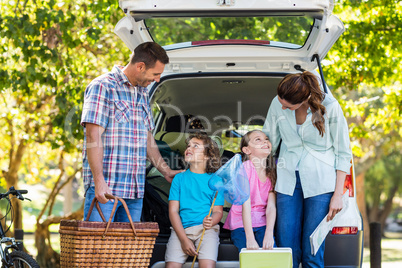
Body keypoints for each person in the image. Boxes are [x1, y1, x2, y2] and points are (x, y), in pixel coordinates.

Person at [81, 42, 181, 222]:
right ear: (140, 66)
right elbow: (92, 137)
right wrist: (99, 181)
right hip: (107, 190)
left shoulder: (142, 92)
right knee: (98, 249)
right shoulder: (103, 87)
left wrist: (165, 170)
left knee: (128, 250)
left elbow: (147, 138)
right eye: (156, 74)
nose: (157, 79)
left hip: (134, 192)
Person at [262, 71, 352, 268]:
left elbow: (344, 154)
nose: (282, 106)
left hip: (322, 184)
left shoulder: (331, 107)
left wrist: (338, 194)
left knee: (312, 250)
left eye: (288, 105)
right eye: (281, 102)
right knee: (287, 249)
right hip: (287, 181)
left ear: (304, 98)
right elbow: (268, 142)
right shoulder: (278, 103)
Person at [165, 132, 224, 268]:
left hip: (206, 230)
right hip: (180, 230)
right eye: (188, 146)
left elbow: (218, 211)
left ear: (207, 155)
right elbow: (173, 211)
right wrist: (184, 239)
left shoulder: (216, 181)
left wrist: (212, 221)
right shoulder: (179, 179)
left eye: (195, 146)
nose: (189, 149)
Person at [223, 130, 276, 252]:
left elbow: (271, 206)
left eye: (266, 138)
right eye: (258, 139)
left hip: (262, 223)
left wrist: (269, 233)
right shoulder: (244, 168)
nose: (265, 141)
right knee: (251, 257)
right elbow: (245, 205)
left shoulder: (272, 171)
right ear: (247, 150)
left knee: (271, 253)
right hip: (241, 224)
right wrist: (250, 238)